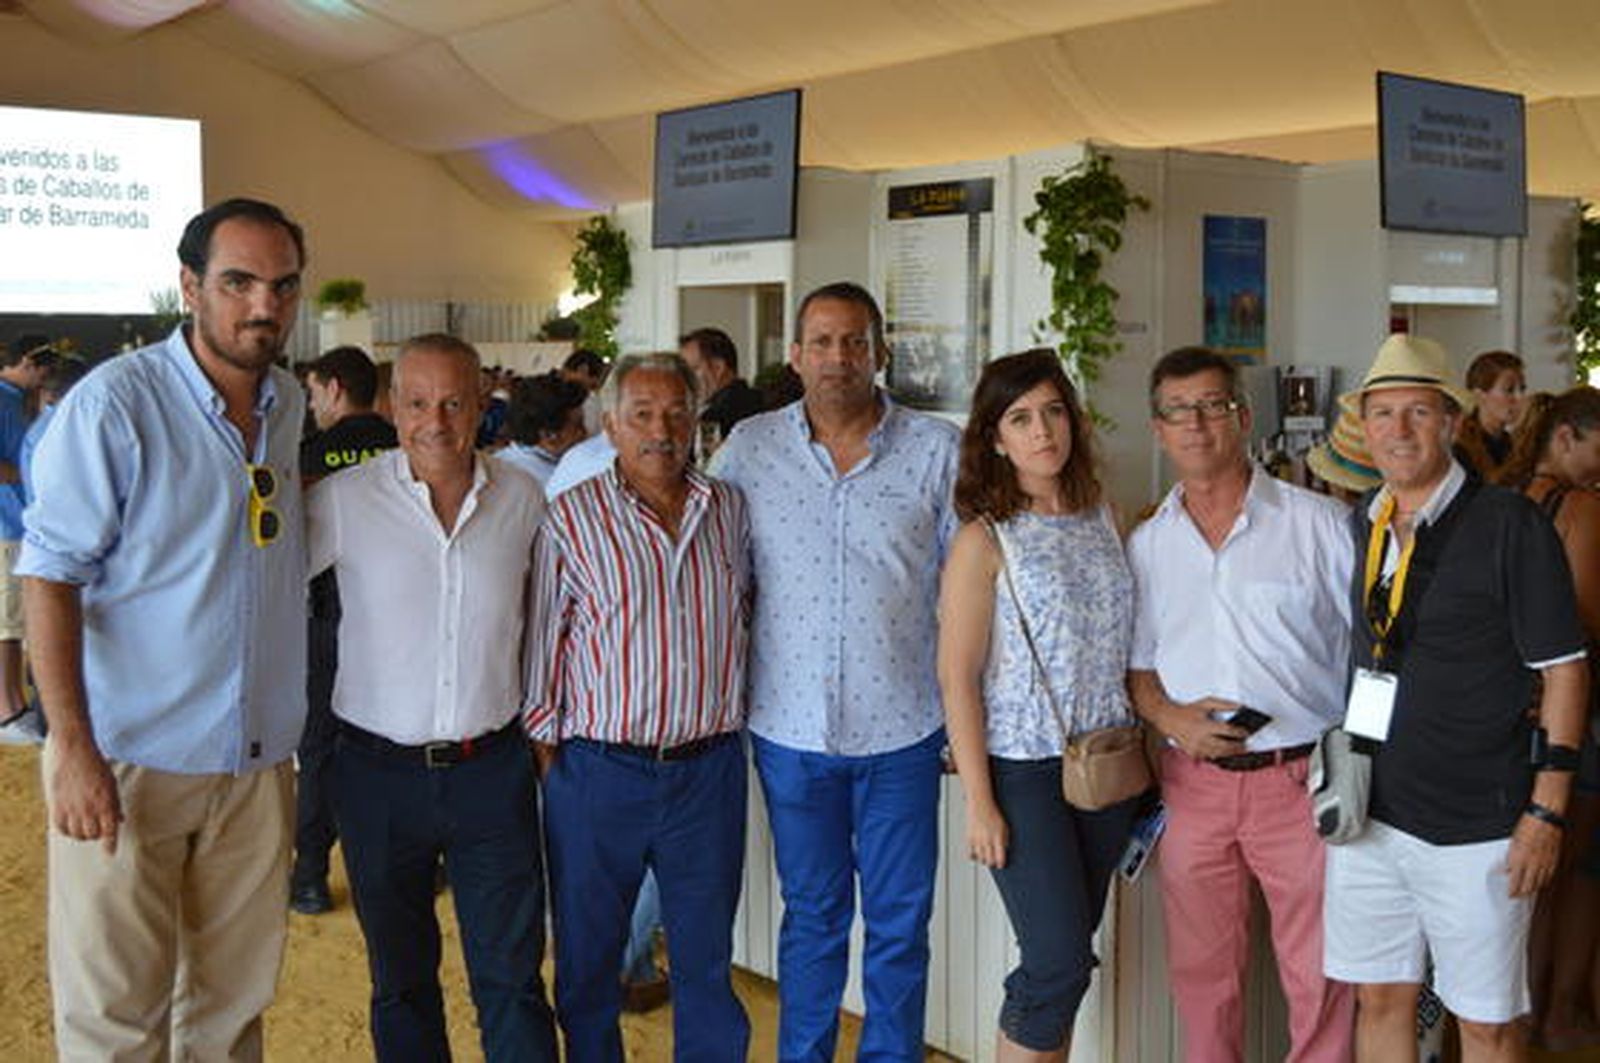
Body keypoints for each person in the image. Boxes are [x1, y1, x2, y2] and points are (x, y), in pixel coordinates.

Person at [18, 197, 309, 1059]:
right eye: (239, 282)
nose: (264, 306)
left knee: (229, 1010)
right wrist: (71, 745)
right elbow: (49, 573)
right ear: (189, 286)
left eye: (283, 285)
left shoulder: (288, 402)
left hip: (254, 765)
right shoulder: (117, 405)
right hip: (129, 758)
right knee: (114, 1015)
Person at [1323, 334, 1589, 1063]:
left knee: (1486, 1024)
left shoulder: (1511, 525)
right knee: (1380, 999)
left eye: (1417, 412)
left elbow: (1565, 670)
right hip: (1372, 814)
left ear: (1450, 421)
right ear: (1364, 427)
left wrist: (1545, 811)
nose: (1399, 430)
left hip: (1480, 826)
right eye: (1383, 413)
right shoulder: (1365, 520)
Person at [712, 281, 960, 1061]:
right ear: (794, 355)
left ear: (881, 353)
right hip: (788, 733)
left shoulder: (937, 449)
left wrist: (967, 715)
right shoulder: (749, 447)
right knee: (812, 919)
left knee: (897, 924)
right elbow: (714, 567)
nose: (837, 357)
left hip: (904, 735)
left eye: (854, 341)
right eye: (821, 341)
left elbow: (970, 589)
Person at [308, 333, 557, 1061]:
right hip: (375, 776)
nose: (436, 422)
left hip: (493, 772)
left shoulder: (524, 498)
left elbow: (555, 616)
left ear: (484, 405)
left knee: (512, 981)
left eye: (454, 402)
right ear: (391, 408)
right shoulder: (345, 500)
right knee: (401, 982)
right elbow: (264, 588)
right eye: (418, 403)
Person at [1126, 345, 1355, 1063]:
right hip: (1194, 788)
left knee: (1322, 977)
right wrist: (1170, 719)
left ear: (1243, 416)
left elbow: (1377, 654)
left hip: (1303, 781)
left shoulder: (1320, 525)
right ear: (1158, 428)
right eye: (1177, 410)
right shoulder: (1147, 544)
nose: (1196, 423)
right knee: (1203, 980)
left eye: (1212, 405)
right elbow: (1137, 672)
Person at [526, 352, 751, 1061]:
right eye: (644, 415)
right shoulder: (569, 517)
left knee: (706, 960)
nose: (663, 429)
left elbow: (747, 610)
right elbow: (541, 649)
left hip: (708, 772)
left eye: (678, 413)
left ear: (697, 421)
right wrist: (557, 757)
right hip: (598, 772)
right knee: (589, 963)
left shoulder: (730, 509)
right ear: (610, 424)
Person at [937, 349, 1142, 1060]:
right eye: (1020, 418)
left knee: (1067, 966)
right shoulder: (985, 538)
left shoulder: (1104, 518)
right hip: (1023, 772)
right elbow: (957, 676)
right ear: (995, 438)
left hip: (1107, 766)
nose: (1042, 430)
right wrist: (979, 802)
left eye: (1053, 411)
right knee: (1056, 961)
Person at [1502, 387, 1600, 1050]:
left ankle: (1522, 1011)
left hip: (1514, 713)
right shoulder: (1582, 508)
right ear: (1566, 436)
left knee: (1529, 881)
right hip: (1576, 716)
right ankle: (1560, 1012)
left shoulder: (1504, 501)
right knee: (1582, 872)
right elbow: (1588, 625)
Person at [291, 344, 398, 915]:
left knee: (320, 750)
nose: (312, 405)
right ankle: (414, 862)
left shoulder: (308, 454)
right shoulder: (403, 448)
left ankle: (310, 873)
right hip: (400, 621)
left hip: (329, 619)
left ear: (334, 388)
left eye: (312, 393)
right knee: (400, 745)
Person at [0, 338, 56, 727]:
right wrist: (33, 472)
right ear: (28, 362)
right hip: (7, 525)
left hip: (22, 522)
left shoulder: (17, 398)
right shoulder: (2, 399)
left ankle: (17, 702)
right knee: (8, 622)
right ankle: (7, 710)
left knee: (19, 619)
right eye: (45, 367)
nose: (47, 376)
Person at [499, 370, 590, 491]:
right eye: (579, 426)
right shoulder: (555, 482)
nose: (586, 434)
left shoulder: (502, 461)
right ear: (549, 436)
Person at [680, 327, 763, 453]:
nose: (685, 380)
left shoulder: (715, 418)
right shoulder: (758, 399)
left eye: (693, 370)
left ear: (718, 368)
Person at [1453, 349, 1525, 480]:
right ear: (1480, 395)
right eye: (1509, 390)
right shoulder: (1459, 449)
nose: (1519, 398)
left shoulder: (1512, 444)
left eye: (1522, 389)